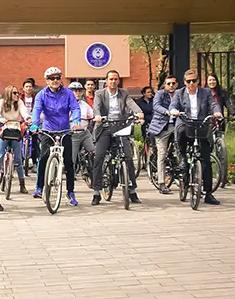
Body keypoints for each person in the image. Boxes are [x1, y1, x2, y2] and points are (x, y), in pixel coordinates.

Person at [169, 69, 224, 205]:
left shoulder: (205, 92)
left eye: (194, 81)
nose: (191, 83)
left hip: (201, 125)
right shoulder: (179, 93)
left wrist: (217, 112)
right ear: (184, 82)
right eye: (189, 81)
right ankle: (182, 157)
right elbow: (173, 105)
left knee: (206, 160)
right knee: (180, 131)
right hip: (186, 123)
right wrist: (174, 111)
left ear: (198, 81)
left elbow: (213, 104)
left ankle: (208, 194)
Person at [91, 70, 145, 206]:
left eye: (116, 79)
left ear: (118, 80)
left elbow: (131, 104)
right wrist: (97, 117)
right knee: (99, 157)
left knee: (128, 157)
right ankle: (96, 192)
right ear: (106, 81)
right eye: (111, 79)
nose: (113, 81)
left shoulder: (124, 93)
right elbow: (96, 107)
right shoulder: (99, 94)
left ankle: (132, 190)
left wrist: (139, 112)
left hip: (121, 127)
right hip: (105, 127)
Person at [30, 67, 81, 206]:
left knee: (69, 162)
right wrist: (34, 124)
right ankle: (39, 187)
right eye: (52, 78)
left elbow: (75, 108)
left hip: (64, 130)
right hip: (48, 131)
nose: (55, 80)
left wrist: (76, 119)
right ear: (47, 81)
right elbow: (37, 109)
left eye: (58, 78)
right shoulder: (41, 95)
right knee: (44, 158)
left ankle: (70, 191)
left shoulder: (68, 93)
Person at [0, 85, 30, 194]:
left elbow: (24, 112)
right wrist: (0, 119)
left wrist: (28, 118)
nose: (17, 95)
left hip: (16, 131)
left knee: (18, 159)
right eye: (14, 93)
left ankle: (22, 184)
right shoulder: (1, 102)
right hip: (3, 131)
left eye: (17, 93)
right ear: (8, 93)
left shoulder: (19, 103)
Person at [148, 75, 179, 194]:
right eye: (169, 83)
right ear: (165, 85)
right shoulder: (160, 94)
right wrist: (167, 112)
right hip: (162, 127)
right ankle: (161, 183)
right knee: (162, 154)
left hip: (177, 125)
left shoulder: (180, 94)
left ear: (176, 84)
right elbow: (156, 106)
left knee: (183, 148)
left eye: (173, 83)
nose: (171, 86)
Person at [69, 82, 96, 170]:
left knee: (94, 152)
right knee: (71, 158)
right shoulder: (65, 105)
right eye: (74, 91)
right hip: (72, 134)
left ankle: (93, 172)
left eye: (79, 91)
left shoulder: (85, 105)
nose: (77, 93)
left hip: (84, 133)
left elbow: (92, 115)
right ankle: (71, 176)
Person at [22, 78, 39, 168]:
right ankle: (20, 161)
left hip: (33, 122)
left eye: (30, 87)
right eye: (26, 86)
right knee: (20, 139)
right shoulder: (20, 98)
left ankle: (35, 162)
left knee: (35, 141)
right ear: (23, 88)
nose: (28, 88)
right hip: (22, 122)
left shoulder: (36, 98)